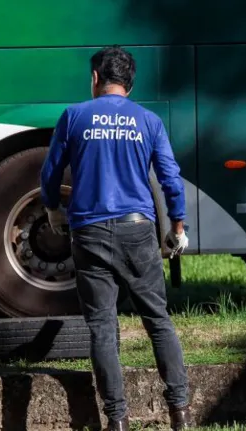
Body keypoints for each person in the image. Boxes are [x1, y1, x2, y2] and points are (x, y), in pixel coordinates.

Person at [39, 45, 193, 431]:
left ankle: (117, 419)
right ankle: (181, 412)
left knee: (103, 328)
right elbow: (170, 179)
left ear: (95, 78)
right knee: (157, 320)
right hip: (138, 230)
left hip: (89, 232)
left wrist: (53, 209)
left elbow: (49, 175)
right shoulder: (148, 121)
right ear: (129, 82)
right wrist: (177, 228)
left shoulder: (74, 116)